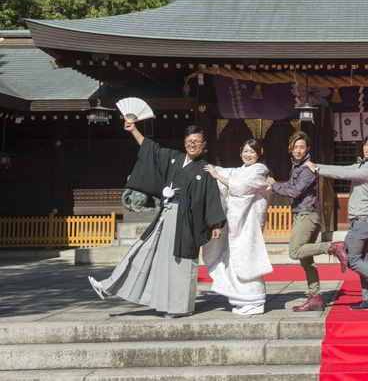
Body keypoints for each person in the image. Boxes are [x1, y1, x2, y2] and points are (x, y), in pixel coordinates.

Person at [88, 123, 226, 318]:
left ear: (204, 144)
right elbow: (151, 149)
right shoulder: (174, 159)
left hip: (187, 222)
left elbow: (211, 197)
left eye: (197, 142)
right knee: (143, 250)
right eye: (189, 141)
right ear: (184, 143)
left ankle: (180, 308)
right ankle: (110, 286)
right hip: (166, 214)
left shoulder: (204, 171)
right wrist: (133, 130)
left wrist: (216, 224)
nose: (192, 145)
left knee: (181, 262)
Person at [306, 131, 368, 311]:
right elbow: (347, 169)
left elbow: (341, 173)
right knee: (363, 260)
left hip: (362, 221)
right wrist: (318, 166)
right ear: (363, 145)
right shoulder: (362, 166)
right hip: (365, 221)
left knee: (351, 259)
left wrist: (317, 169)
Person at [266, 131, 347, 312]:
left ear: (307, 148)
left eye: (302, 147)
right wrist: (275, 185)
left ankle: (333, 247)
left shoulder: (307, 168)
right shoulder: (297, 167)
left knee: (295, 252)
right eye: (295, 147)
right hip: (304, 216)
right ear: (290, 149)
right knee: (306, 261)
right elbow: (289, 186)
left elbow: (294, 192)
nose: (298, 150)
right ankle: (315, 297)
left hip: (306, 216)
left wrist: (273, 186)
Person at [203, 139, 273, 315]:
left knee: (248, 258)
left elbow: (242, 188)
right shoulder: (240, 170)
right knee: (233, 258)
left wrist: (217, 176)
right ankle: (240, 298)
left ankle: (255, 300)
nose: (248, 155)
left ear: (258, 154)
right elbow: (228, 173)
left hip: (249, 224)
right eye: (245, 151)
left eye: (252, 152)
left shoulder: (259, 170)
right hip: (239, 224)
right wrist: (205, 165)